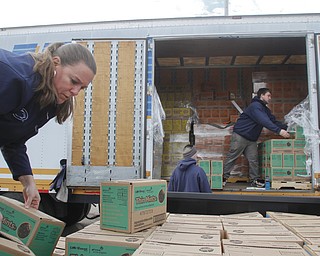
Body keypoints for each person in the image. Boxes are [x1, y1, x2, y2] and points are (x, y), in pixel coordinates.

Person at [0, 42, 97, 209]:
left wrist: (29, 183)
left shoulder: (48, 102)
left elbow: (13, 142)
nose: (75, 91)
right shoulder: (14, 77)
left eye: (82, 88)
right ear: (55, 62)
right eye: (74, 81)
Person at [223, 87, 290, 187]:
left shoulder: (265, 109)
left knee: (253, 159)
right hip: (241, 135)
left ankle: (254, 179)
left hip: (251, 139)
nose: (270, 98)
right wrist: (279, 131)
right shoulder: (255, 106)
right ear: (261, 95)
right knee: (233, 156)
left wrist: (289, 127)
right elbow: (263, 120)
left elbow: (273, 121)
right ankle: (223, 178)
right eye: (268, 95)